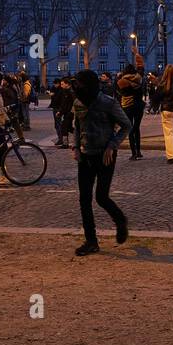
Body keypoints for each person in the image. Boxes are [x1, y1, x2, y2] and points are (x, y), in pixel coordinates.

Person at [70, 69, 131, 256]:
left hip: (105, 155)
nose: (76, 87)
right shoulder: (78, 102)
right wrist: (75, 147)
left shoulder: (108, 103)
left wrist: (112, 146)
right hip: (85, 155)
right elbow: (77, 126)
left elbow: (126, 125)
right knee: (84, 199)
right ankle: (91, 241)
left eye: (79, 83)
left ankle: (120, 220)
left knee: (101, 197)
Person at [50, 77, 75, 149]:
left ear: (67, 84)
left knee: (64, 127)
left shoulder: (71, 92)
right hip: (66, 112)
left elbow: (72, 103)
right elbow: (64, 104)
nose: (61, 85)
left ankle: (65, 143)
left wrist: (71, 112)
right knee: (69, 128)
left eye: (62, 84)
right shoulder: (65, 91)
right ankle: (79, 136)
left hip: (69, 113)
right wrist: (60, 112)